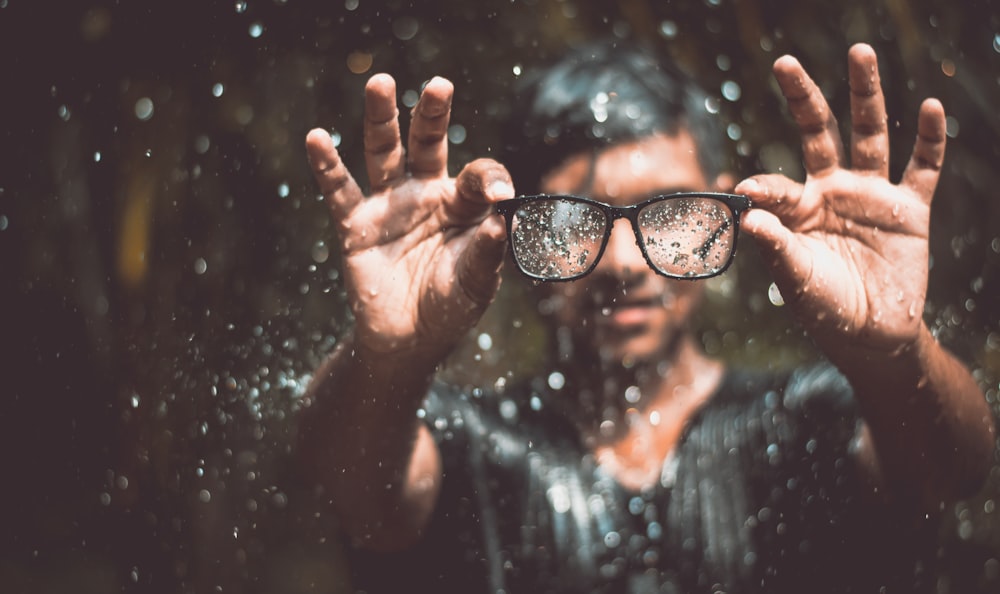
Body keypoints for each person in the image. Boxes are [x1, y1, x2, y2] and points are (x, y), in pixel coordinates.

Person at [296, 40, 995, 593]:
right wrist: (390, 356)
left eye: (667, 210)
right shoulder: (466, 447)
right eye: (573, 220)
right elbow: (352, 490)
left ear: (724, 208)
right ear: (513, 231)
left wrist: (892, 353)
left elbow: (950, 472)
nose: (622, 263)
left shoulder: (811, 419)